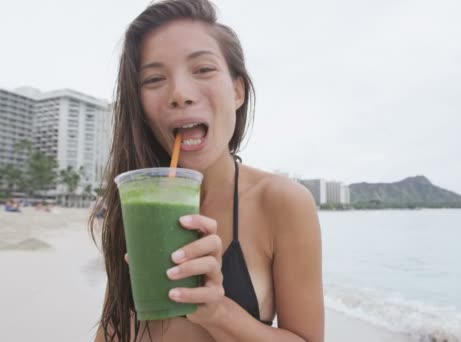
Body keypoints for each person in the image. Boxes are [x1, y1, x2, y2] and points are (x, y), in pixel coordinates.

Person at [90, 0, 324, 341]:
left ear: (237, 91)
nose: (180, 94)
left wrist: (219, 313)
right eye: (154, 78)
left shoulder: (282, 201)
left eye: (203, 69)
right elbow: (112, 327)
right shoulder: (136, 201)